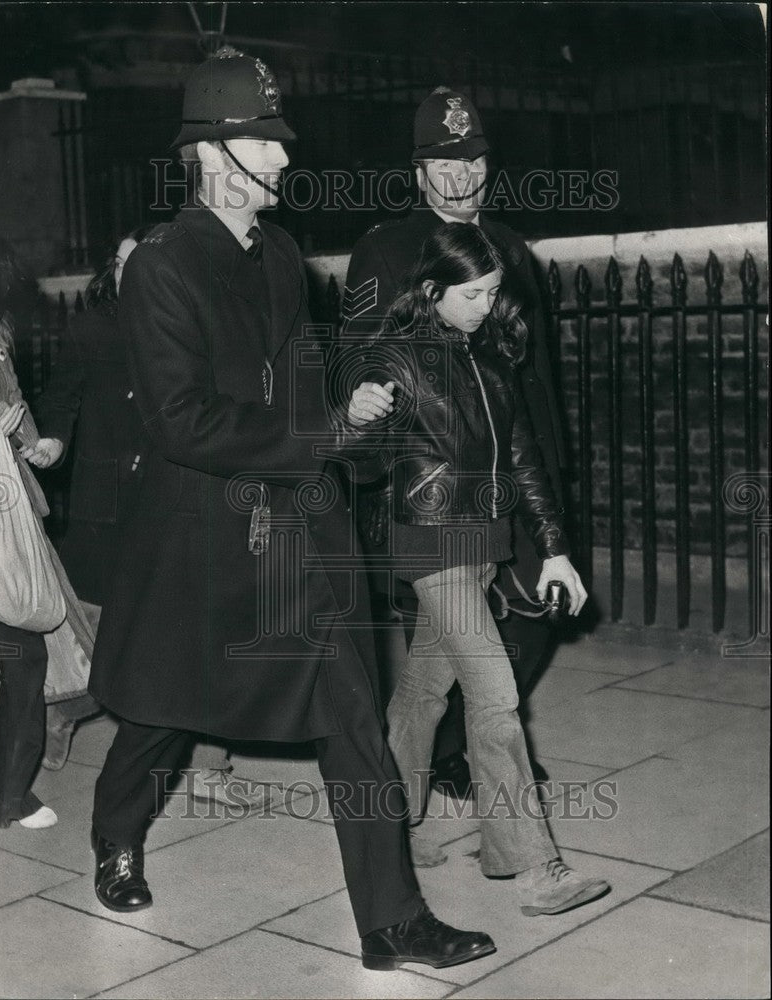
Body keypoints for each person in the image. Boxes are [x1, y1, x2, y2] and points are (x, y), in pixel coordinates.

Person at [87, 48, 494, 973]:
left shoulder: (277, 254)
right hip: (196, 536)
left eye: (276, 144)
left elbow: (296, 374)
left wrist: (359, 397)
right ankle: (116, 835)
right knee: (160, 712)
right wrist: (321, 432)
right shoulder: (158, 267)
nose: (279, 162)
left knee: (352, 717)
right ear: (212, 157)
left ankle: (390, 922)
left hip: (291, 532)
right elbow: (183, 420)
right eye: (263, 145)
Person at [346, 222, 610, 916]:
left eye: (493, 293)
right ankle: (533, 866)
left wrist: (554, 549)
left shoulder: (491, 362)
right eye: (471, 294)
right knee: (494, 698)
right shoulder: (393, 360)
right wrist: (360, 420)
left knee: (422, 696)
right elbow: (359, 463)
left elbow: (524, 464)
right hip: (429, 543)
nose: (485, 307)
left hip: (483, 546)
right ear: (430, 290)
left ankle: (390, 827)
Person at [342, 87, 566, 855]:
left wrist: (551, 493)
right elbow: (360, 365)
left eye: (471, 159)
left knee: (486, 648)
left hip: (508, 483)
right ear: (417, 171)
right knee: (479, 668)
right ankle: (520, 848)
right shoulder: (385, 250)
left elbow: (532, 382)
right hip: (427, 497)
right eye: (444, 162)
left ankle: (407, 786)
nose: (460, 175)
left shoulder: (511, 249)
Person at [34, 229, 244, 802]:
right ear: (113, 271)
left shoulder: (193, 328)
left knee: (192, 629)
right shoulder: (91, 326)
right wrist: (52, 439)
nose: (133, 273)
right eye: (123, 262)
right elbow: (61, 395)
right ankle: (67, 710)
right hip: (106, 504)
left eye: (146, 263)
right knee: (105, 639)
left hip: (173, 497)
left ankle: (207, 766)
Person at [0, 229, 93, 829]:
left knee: (25, 654)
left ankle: (12, 795)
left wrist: (36, 443)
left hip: (7, 520)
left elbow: (15, 406)